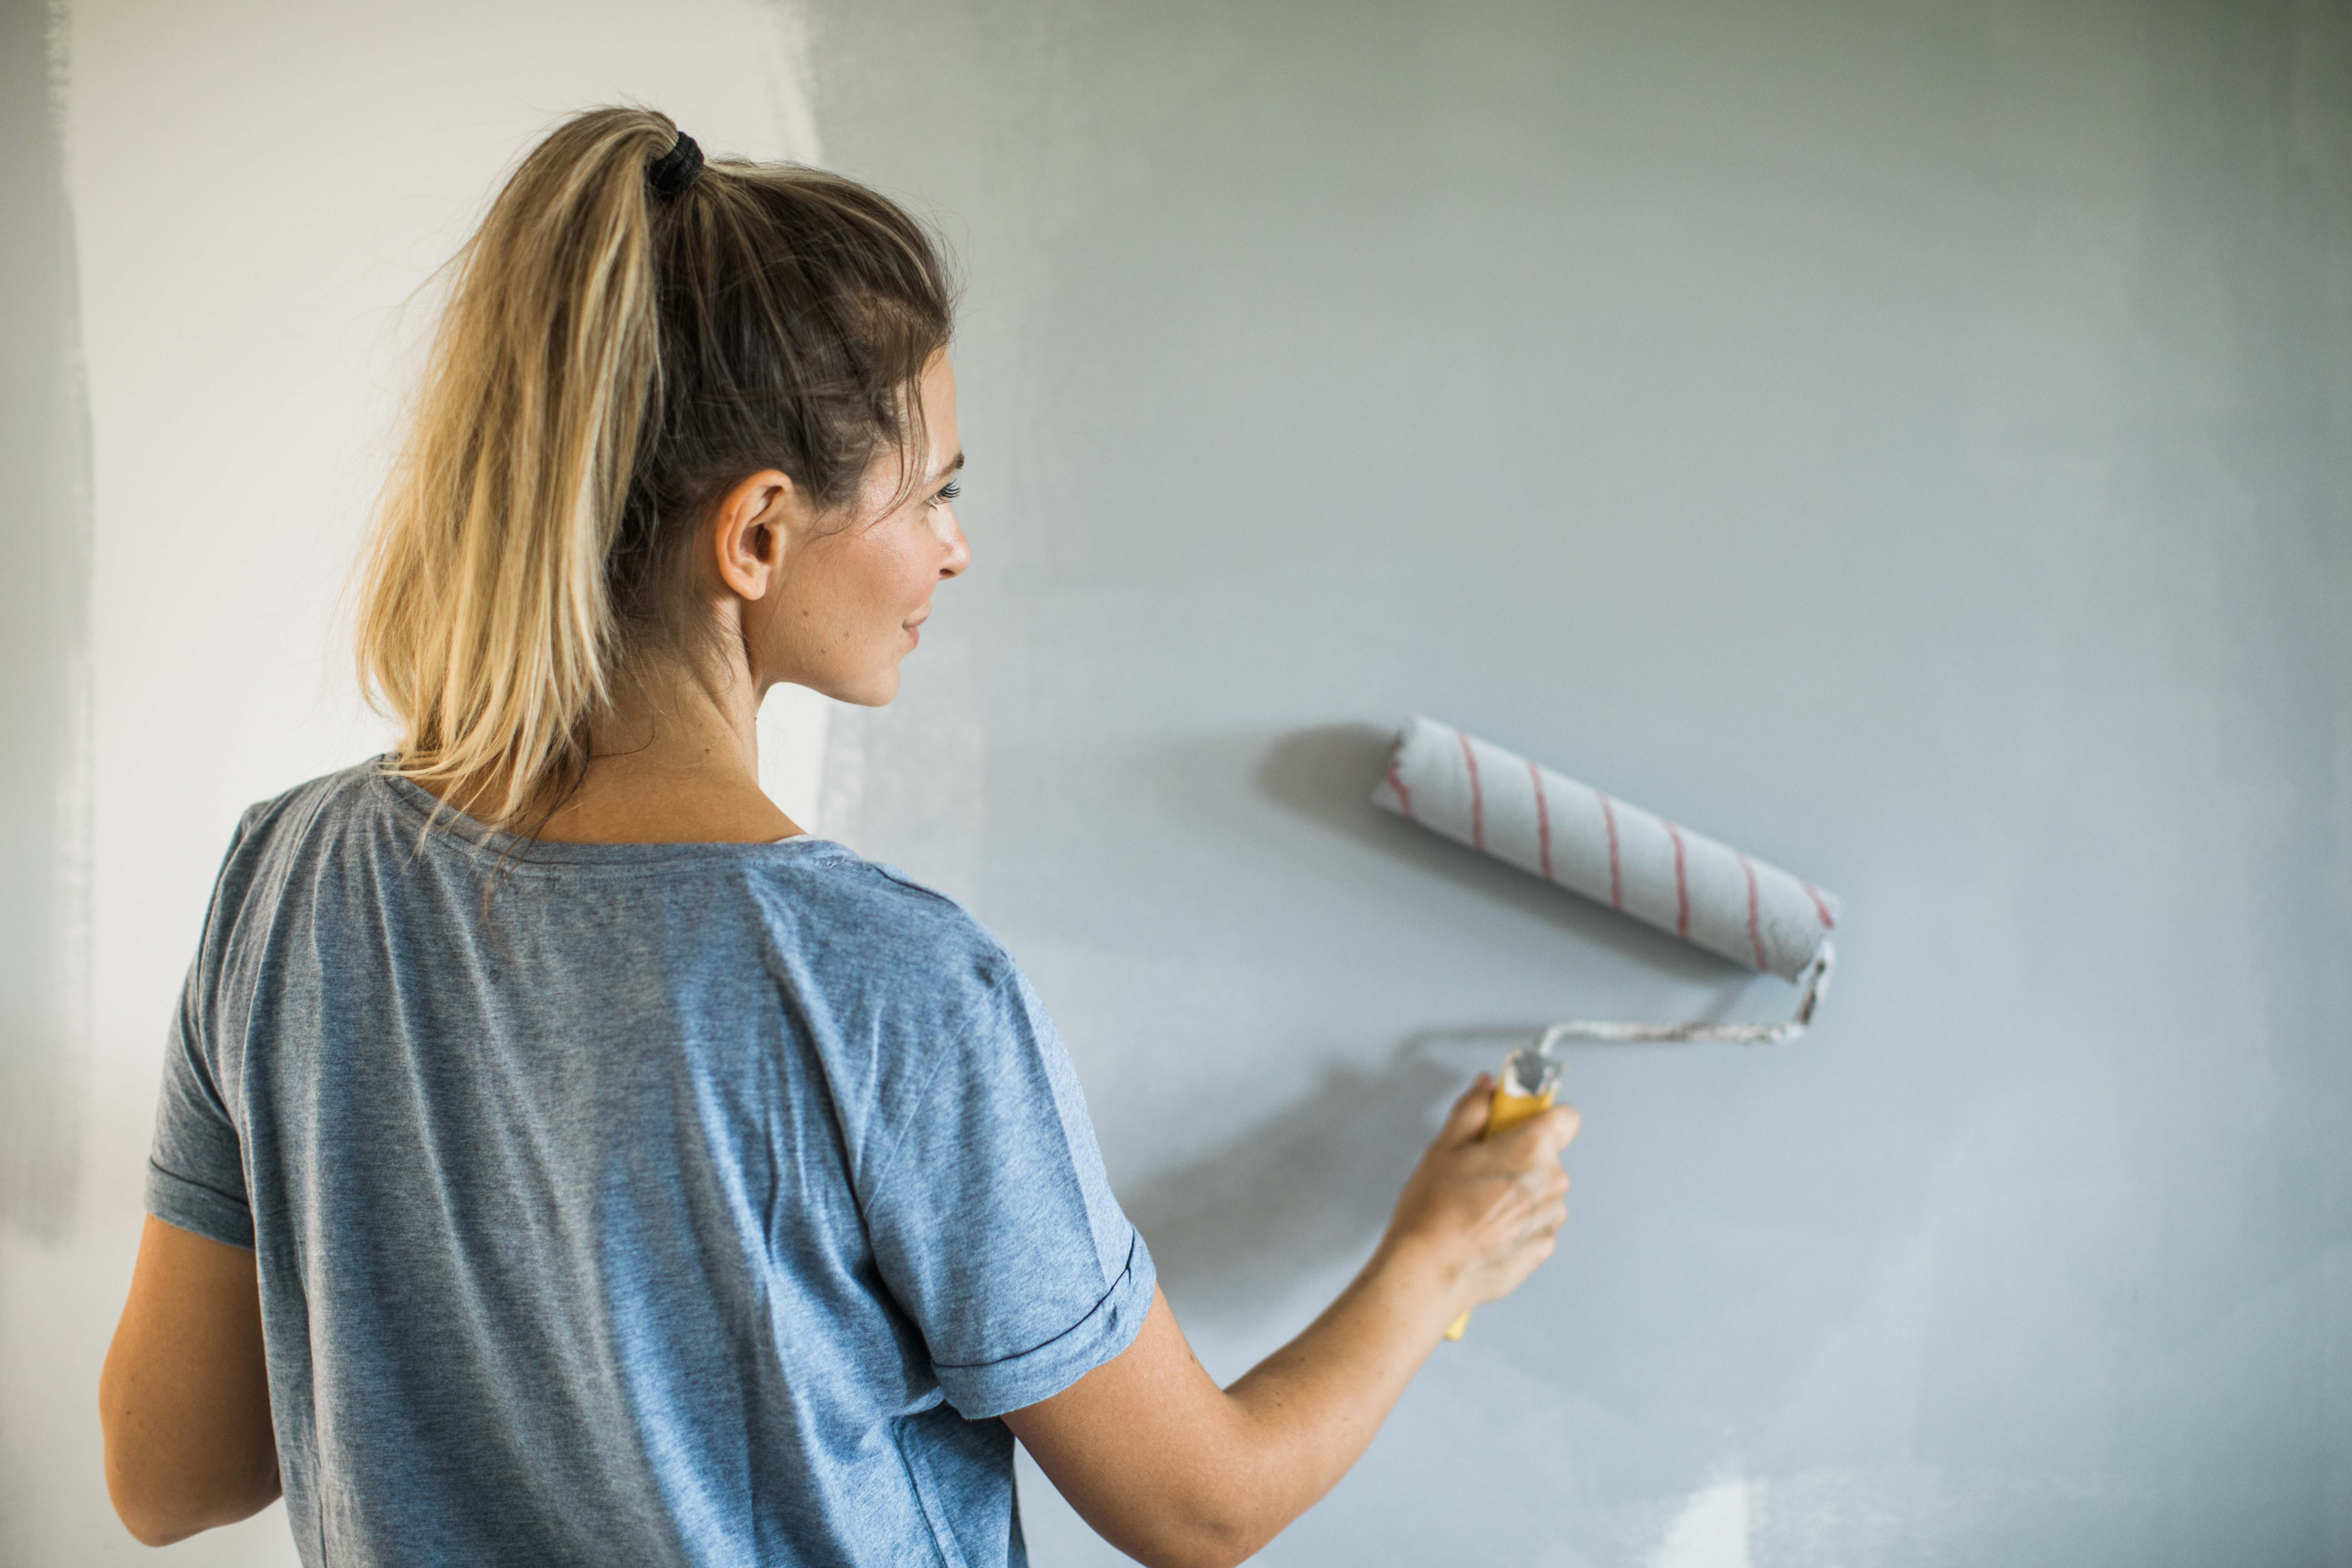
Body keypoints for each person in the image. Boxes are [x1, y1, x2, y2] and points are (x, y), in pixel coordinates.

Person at [96, 107, 1580, 1568]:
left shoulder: (285, 884)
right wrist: (1441, 1250)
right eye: (932, 488)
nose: (956, 544)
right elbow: (1203, 1507)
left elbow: (172, 1472)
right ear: (755, 536)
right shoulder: (891, 986)